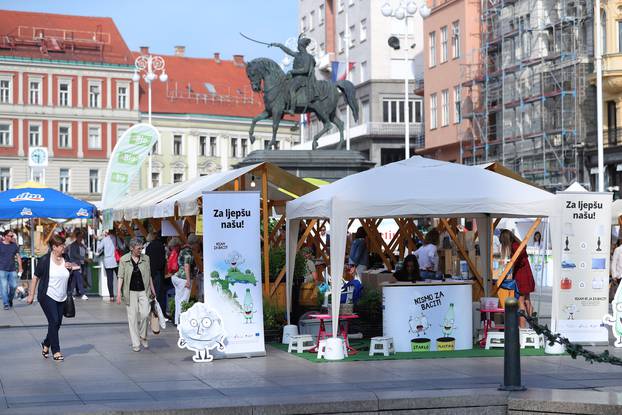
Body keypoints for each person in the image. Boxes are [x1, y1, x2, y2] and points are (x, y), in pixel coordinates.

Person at [26, 235, 76, 361]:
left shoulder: (66, 258)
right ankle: (56, 350)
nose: (64, 247)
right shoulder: (44, 260)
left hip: (62, 296)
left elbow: (72, 270)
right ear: (54, 247)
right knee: (53, 321)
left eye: (64, 245)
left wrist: (71, 268)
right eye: (61, 245)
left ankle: (46, 343)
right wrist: (31, 295)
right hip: (47, 296)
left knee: (57, 323)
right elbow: (35, 277)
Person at [116, 238, 155, 352]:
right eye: (139, 248)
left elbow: (149, 275)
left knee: (145, 313)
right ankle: (136, 343)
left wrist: (153, 290)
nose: (141, 250)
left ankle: (143, 336)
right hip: (130, 292)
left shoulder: (146, 259)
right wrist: (118, 293)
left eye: (142, 248)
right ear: (131, 248)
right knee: (132, 318)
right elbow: (120, 277)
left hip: (144, 291)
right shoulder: (124, 260)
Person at [270, 34, 319, 115]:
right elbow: (288, 51)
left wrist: (293, 71)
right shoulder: (297, 54)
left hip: (302, 78)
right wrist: (279, 45)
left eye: (299, 45)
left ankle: (292, 109)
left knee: (292, 89)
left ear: (302, 46)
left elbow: (305, 70)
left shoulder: (307, 57)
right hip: (295, 77)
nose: (298, 47)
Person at [499, 229, 535, 327]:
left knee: (521, 301)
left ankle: (522, 327)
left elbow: (517, 262)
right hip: (527, 275)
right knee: (527, 300)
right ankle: (532, 324)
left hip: (522, 276)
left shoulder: (515, 247)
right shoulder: (518, 244)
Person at [171, 234, 199, 325]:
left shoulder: (183, 249)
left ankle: (177, 320)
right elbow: (187, 265)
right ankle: (182, 321)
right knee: (184, 300)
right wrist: (188, 280)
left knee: (178, 299)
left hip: (176, 277)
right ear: (194, 243)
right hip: (183, 278)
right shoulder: (188, 252)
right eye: (197, 243)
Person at [96, 229, 123, 303]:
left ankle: (111, 296)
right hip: (115, 261)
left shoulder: (104, 239)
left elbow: (98, 248)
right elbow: (122, 247)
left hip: (107, 262)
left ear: (108, 232)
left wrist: (98, 240)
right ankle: (121, 293)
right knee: (119, 277)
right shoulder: (116, 238)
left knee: (109, 279)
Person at [145, 231, 168, 318]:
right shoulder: (161, 246)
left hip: (151, 273)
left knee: (152, 293)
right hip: (158, 273)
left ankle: (151, 312)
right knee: (159, 293)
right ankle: (159, 313)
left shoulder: (148, 247)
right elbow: (162, 262)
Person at [0, 229, 23, 310]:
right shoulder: (0, 245)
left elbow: (18, 256)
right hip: (2, 269)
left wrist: (20, 267)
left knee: (13, 286)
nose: (12, 237)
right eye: (10, 236)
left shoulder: (14, 245)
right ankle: (5, 303)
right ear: (5, 236)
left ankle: (10, 300)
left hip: (12, 269)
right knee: (4, 287)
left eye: (12, 236)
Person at [67, 229, 88, 300]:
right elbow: (74, 255)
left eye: (81, 237)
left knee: (74, 280)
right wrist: (83, 258)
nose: (81, 238)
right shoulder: (73, 245)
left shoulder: (82, 245)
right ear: (77, 237)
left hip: (80, 264)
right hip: (74, 264)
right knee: (79, 278)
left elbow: (85, 252)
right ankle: (83, 293)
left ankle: (70, 294)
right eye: (79, 237)